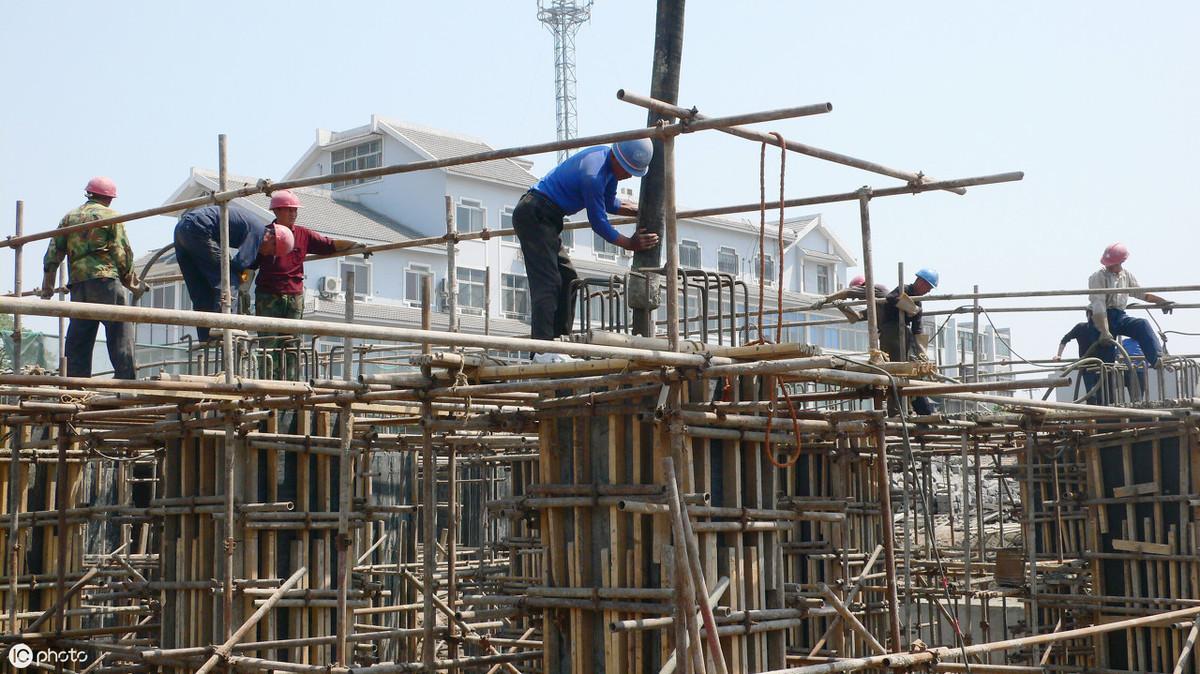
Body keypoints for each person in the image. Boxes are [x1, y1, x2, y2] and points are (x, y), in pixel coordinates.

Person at [514, 139, 659, 363]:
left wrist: (639, 210)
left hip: (548, 219)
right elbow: (598, 222)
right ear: (617, 158)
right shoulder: (594, 173)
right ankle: (540, 351)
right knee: (548, 281)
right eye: (628, 170)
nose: (629, 176)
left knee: (569, 280)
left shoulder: (608, 168)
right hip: (535, 213)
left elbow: (609, 203)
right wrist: (631, 244)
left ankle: (558, 343)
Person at [254, 190, 362, 379]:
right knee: (269, 345)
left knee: (291, 346)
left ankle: (291, 391)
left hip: (294, 297)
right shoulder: (264, 235)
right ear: (277, 211)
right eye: (289, 210)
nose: (293, 214)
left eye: (295, 210)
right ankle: (267, 388)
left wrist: (356, 244)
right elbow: (248, 263)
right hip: (268, 296)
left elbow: (329, 245)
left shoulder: (303, 234)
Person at [39, 177, 140, 379]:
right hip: (105, 281)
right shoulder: (111, 216)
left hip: (79, 284)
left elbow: (53, 253)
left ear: (89, 194)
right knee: (120, 332)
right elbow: (122, 253)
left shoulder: (69, 217)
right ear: (109, 198)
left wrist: (47, 287)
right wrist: (132, 283)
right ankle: (126, 385)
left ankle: (75, 387)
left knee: (79, 336)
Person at [173, 202, 294, 343]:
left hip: (182, 230)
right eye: (272, 252)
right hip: (200, 228)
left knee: (202, 290)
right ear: (273, 238)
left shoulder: (253, 227)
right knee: (229, 280)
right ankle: (223, 325)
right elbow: (240, 264)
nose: (267, 254)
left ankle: (205, 336)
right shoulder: (258, 232)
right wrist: (241, 279)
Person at [1088, 242, 1173, 368]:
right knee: (1106, 359)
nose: (1110, 267)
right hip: (1100, 318)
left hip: (1119, 316)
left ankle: (1157, 359)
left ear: (1121, 262)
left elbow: (1141, 293)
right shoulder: (1098, 277)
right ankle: (1105, 381)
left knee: (1141, 325)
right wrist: (1104, 331)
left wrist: (1161, 301)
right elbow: (1099, 306)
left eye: (1113, 264)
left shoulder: (1126, 276)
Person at [878, 268, 939, 415]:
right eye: (928, 287)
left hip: (904, 335)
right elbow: (891, 298)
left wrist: (923, 352)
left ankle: (910, 408)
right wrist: (910, 307)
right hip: (890, 332)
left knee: (907, 372)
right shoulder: (904, 289)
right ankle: (895, 410)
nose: (928, 291)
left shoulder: (919, 303)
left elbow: (918, 328)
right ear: (921, 282)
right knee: (897, 371)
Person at [1054, 310, 1115, 404]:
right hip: (1088, 367)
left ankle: (1103, 415)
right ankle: (1094, 416)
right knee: (1092, 395)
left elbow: (1113, 345)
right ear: (1089, 315)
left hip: (1103, 367)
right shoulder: (1081, 327)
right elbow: (1065, 339)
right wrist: (1059, 355)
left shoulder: (1104, 330)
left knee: (1104, 395)